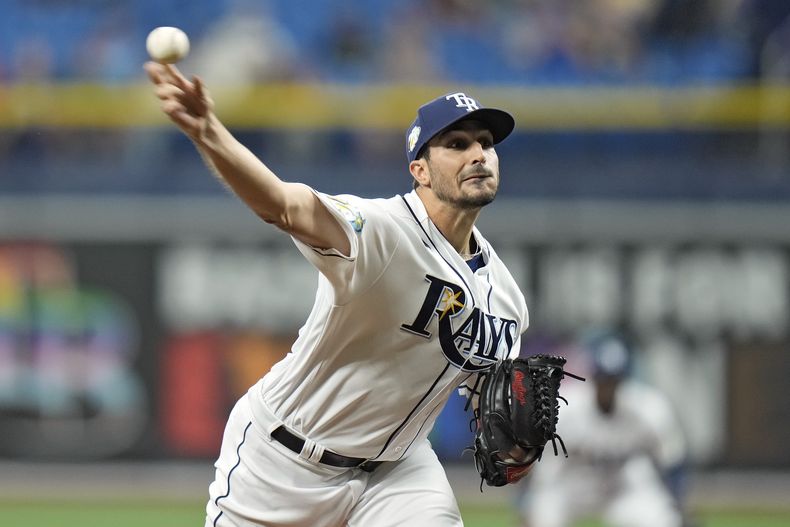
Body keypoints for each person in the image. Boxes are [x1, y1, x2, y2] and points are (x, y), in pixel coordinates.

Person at [145, 60, 531, 527]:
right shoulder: (381, 231)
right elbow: (283, 205)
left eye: (486, 144)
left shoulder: (506, 299)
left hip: (397, 472)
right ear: (420, 171)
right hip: (284, 459)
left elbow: (488, 398)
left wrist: (515, 440)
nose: (479, 154)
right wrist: (209, 131)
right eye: (457, 144)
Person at [519, 330, 690, 527]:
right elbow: (534, 459)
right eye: (603, 379)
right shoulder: (564, 409)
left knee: (663, 520)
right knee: (542, 515)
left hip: (623, 489)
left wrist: (677, 505)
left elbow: (673, 459)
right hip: (571, 487)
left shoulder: (648, 409)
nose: (608, 387)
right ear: (593, 377)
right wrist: (526, 505)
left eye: (613, 380)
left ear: (624, 380)